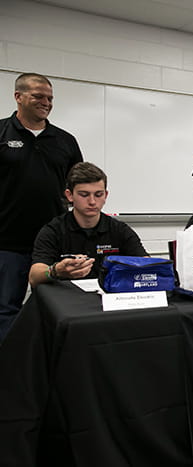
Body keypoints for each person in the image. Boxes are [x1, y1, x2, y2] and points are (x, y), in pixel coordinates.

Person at [0, 72, 83, 340]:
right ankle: (10, 371)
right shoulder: (1, 133)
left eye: (49, 98)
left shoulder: (65, 140)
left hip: (53, 243)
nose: (46, 102)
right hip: (7, 242)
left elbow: (79, 185)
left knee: (57, 308)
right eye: (38, 96)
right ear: (18, 97)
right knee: (5, 309)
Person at [28, 162, 147, 288]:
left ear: (106, 195)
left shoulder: (120, 230)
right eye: (84, 195)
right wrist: (55, 271)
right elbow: (34, 277)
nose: (92, 201)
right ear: (69, 195)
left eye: (98, 194)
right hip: (65, 301)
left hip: (109, 300)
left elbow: (147, 264)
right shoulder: (53, 231)